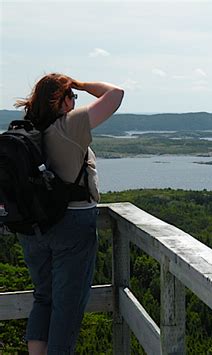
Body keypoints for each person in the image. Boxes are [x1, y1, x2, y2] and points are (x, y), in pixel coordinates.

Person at [14, 73, 124, 355]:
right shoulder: (70, 125)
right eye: (71, 97)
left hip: (33, 227)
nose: (75, 101)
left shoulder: (28, 130)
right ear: (61, 101)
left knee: (44, 298)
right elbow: (116, 94)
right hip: (73, 226)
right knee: (68, 306)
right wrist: (82, 85)